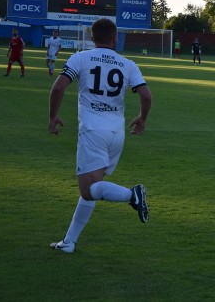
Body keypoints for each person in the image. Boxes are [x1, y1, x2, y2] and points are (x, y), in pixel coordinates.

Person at [48, 18, 152, 253]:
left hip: (93, 131)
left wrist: (53, 115)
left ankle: (131, 195)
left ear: (92, 37)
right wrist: (142, 119)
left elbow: (58, 87)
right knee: (93, 188)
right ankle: (69, 242)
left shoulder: (80, 58)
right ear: (115, 38)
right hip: (117, 133)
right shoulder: (128, 64)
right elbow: (146, 96)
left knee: (88, 189)